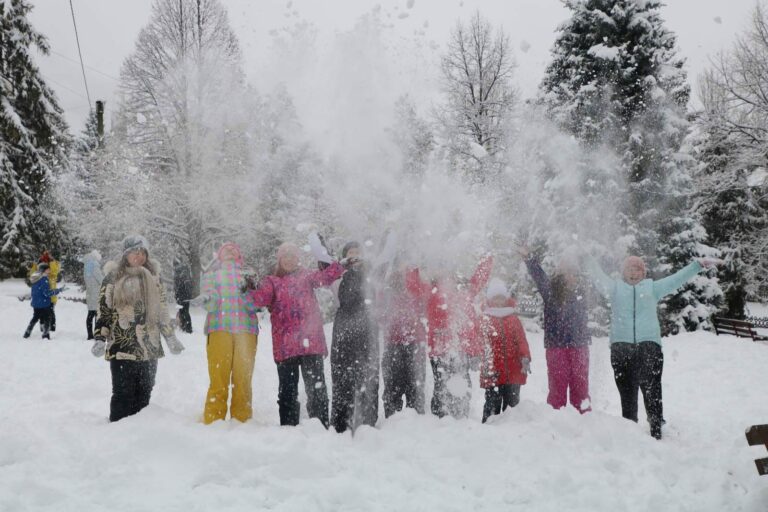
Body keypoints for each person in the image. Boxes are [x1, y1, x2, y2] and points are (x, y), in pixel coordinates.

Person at [585, 254, 720, 439]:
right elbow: (598, 276)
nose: (633, 273)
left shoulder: (652, 288)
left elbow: (676, 279)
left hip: (648, 345)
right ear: (624, 272)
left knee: (652, 389)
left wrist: (697, 266)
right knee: (627, 391)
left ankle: (656, 426)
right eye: (629, 269)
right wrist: (586, 258)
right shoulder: (615, 288)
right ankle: (629, 428)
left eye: (637, 269)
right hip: (621, 347)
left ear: (643, 272)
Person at [245, 242, 349, 427]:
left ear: (297, 259)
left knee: (316, 390)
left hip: (311, 342)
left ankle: (320, 426)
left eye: (292, 256)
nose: (289, 260)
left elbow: (326, 277)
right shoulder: (271, 281)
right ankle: (289, 429)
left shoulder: (307, 276)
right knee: (287, 392)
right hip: (286, 346)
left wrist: (337, 263)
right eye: (285, 256)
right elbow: (259, 299)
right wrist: (249, 286)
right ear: (279, 260)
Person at [91, 235, 185, 422]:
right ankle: (117, 434)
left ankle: (140, 438)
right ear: (126, 254)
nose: (139, 256)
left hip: (149, 347)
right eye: (135, 252)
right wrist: (100, 338)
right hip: (121, 347)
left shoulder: (154, 279)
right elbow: (104, 311)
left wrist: (170, 337)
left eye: (143, 253)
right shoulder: (112, 278)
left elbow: (162, 311)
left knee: (144, 394)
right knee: (122, 394)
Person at [419, 255, 494, 419]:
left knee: (462, 384)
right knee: (442, 385)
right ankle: (440, 419)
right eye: (441, 269)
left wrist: (487, 259)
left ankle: (461, 416)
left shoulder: (464, 290)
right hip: (440, 349)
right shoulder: (431, 291)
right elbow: (414, 286)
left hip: (462, 349)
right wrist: (412, 265)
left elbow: (478, 281)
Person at [194, 242, 260, 424]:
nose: (230, 251)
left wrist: (246, 291)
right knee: (218, 377)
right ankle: (214, 419)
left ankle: (242, 420)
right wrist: (207, 298)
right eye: (226, 250)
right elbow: (212, 303)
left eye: (234, 249)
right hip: (219, 328)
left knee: (243, 379)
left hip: (246, 331)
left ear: (239, 255)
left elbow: (256, 304)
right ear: (219, 256)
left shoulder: (249, 274)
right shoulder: (211, 275)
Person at [520, 246, 591, 413]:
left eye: (573, 273)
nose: (570, 276)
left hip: (579, 345)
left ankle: (585, 419)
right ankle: (555, 416)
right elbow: (539, 276)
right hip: (556, 346)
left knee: (580, 386)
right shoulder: (550, 292)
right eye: (566, 272)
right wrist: (529, 259)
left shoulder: (583, 292)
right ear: (559, 275)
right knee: (558, 384)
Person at [330, 241, 379, 433]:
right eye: (351, 252)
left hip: (368, 327)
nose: (355, 256)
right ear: (345, 256)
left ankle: (368, 423)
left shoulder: (372, 275)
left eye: (358, 252)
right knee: (342, 376)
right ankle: (341, 423)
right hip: (343, 329)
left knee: (368, 374)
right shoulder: (337, 275)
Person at [480, 278, 531, 423]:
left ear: (505, 299)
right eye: (495, 298)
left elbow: (521, 340)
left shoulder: (513, 319)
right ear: (490, 299)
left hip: (513, 371)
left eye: (501, 298)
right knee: (492, 407)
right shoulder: (485, 319)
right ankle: (488, 431)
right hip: (493, 372)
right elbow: (481, 342)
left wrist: (525, 356)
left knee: (512, 409)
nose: (498, 301)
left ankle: (512, 433)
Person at [380, 264, 427, 417]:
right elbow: (379, 314)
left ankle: (417, 421)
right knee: (393, 388)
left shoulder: (416, 289)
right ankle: (392, 419)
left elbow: (421, 291)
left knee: (415, 387)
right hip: (392, 344)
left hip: (414, 344)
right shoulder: (385, 294)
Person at [23, 263, 66, 340]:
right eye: (48, 269)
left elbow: (35, 291)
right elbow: (47, 293)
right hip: (44, 303)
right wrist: (59, 290)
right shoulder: (43, 279)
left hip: (36, 303)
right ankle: (45, 335)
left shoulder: (35, 278)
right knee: (47, 319)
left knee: (35, 318)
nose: (49, 270)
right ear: (44, 270)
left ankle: (27, 332)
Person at [82, 250, 104, 340]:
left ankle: (89, 334)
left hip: (90, 292)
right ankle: (96, 334)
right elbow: (101, 279)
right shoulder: (95, 265)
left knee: (90, 314)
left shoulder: (87, 266)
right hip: (96, 293)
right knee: (97, 315)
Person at [173, 256, 194, 334]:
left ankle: (187, 328)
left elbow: (177, 285)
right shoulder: (185, 270)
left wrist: (177, 295)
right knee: (185, 311)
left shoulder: (178, 271)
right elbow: (189, 282)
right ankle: (185, 326)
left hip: (181, 295)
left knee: (183, 311)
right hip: (186, 295)